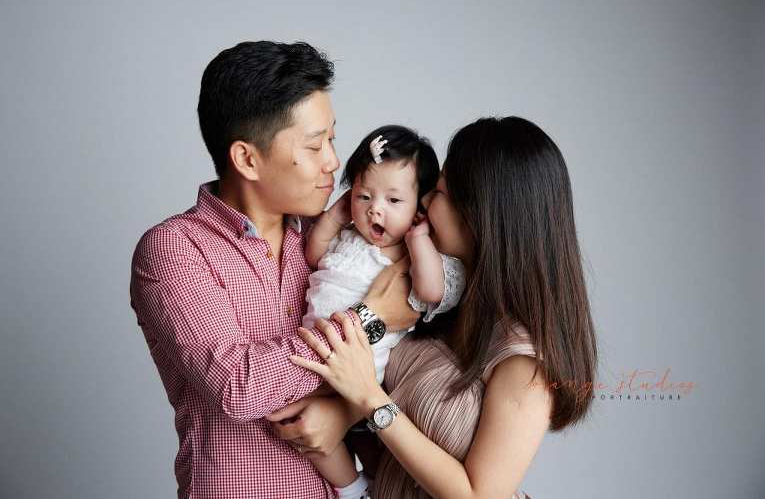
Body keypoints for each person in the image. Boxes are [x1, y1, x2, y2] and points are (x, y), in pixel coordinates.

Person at [129, 41, 420, 499]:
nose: (333, 161)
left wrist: (345, 412)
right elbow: (239, 386)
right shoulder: (174, 250)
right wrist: (370, 318)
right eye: (314, 145)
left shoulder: (335, 238)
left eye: (332, 139)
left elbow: (412, 356)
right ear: (247, 159)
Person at [283, 116, 598, 498]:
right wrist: (343, 413)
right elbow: (383, 372)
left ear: (479, 217)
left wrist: (369, 401)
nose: (425, 201)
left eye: (440, 192)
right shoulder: (449, 299)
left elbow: (479, 495)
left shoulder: (523, 363)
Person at [301, 125, 466, 498]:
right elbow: (313, 253)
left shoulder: (412, 254)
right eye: (363, 196)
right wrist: (335, 216)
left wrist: (418, 239)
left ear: (420, 207)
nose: (375, 209)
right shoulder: (348, 236)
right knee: (313, 434)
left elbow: (430, 289)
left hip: (363, 371)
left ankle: (362, 488)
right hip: (317, 355)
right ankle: (356, 488)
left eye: (393, 200)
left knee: (358, 440)